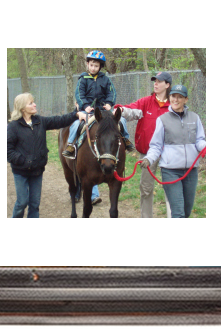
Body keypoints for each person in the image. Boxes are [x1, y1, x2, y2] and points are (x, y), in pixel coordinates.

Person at [62, 50, 134, 205]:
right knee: (76, 123)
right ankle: (70, 145)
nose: (93, 67)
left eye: (96, 65)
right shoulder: (83, 79)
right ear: (87, 64)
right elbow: (79, 95)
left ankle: (126, 140)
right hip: (87, 110)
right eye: (91, 64)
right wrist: (85, 106)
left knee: (121, 121)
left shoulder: (105, 79)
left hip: (104, 110)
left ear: (100, 67)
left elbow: (112, 93)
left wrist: (109, 103)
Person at [7, 92, 85, 218]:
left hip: (37, 171)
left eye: (33, 102)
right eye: (31, 103)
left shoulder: (40, 121)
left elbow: (60, 120)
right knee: (22, 203)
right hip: (20, 171)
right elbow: (8, 150)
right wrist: (23, 161)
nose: (34, 104)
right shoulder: (13, 126)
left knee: (35, 203)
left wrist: (76, 114)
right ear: (22, 108)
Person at [140, 84, 206, 218]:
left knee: (186, 212)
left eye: (179, 97)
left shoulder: (195, 118)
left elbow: (199, 140)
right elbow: (156, 146)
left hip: (191, 171)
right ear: (170, 97)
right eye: (173, 96)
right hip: (170, 171)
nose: (175, 100)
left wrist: (205, 147)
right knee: (178, 212)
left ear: (186, 100)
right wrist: (148, 159)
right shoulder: (163, 120)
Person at [114, 71, 172, 218]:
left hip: (169, 154)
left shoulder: (173, 104)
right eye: (155, 81)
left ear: (167, 85)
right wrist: (120, 110)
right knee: (146, 189)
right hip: (147, 153)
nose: (156, 84)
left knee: (171, 189)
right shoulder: (146, 102)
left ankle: (174, 217)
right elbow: (131, 110)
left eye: (159, 81)